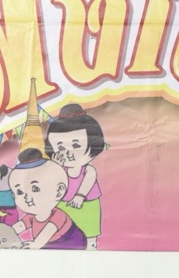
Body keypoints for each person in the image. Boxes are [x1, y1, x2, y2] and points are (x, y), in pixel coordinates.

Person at [45, 103, 106, 250]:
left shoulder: (88, 170)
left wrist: (80, 196)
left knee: (89, 231)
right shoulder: (59, 169)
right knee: (60, 230)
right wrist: (56, 167)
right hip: (62, 205)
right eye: (60, 147)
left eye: (76, 145)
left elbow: (89, 178)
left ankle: (91, 246)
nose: (68, 152)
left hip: (86, 204)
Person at [10, 148, 88, 250]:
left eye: (35, 189)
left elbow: (48, 231)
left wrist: (36, 244)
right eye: (19, 192)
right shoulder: (31, 217)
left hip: (71, 242)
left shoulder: (58, 215)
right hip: (48, 246)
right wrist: (7, 232)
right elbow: (20, 226)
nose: (26, 196)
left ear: (59, 191)